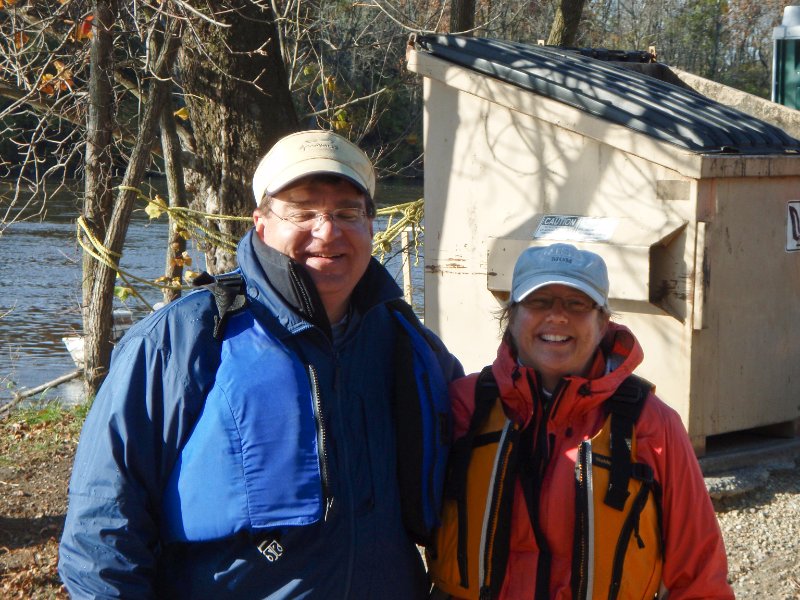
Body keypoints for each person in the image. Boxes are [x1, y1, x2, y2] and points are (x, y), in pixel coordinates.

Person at [59, 130, 462, 599]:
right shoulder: (184, 339)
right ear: (261, 223)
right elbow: (101, 528)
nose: (327, 230)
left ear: (371, 225)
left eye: (346, 212)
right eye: (303, 210)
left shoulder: (411, 347)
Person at [428, 243, 733, 599]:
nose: (557, 316)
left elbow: (700, 575)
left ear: (603, 322)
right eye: (539, 301)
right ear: (511, 315)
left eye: (577, 303)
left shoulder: (653, 424)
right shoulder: (463, 406)